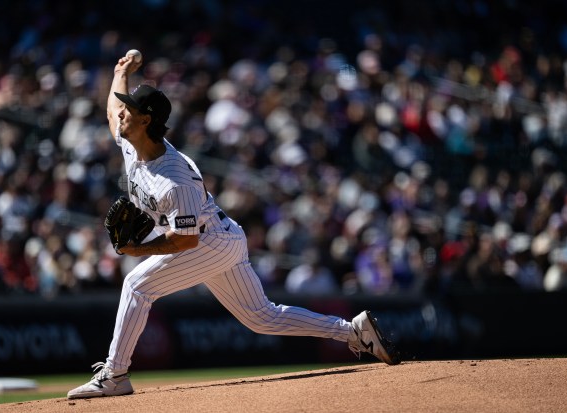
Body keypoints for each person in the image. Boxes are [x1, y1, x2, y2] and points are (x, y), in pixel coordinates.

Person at [66, 52, 401, 399]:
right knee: (262, 317)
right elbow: (109, 111)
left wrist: (139, 250)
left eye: (130, 110)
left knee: (137, 285)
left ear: (147, 120)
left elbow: (185, 241)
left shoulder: (175, 179)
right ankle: (353, 331)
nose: (121, 114)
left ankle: (115, 374)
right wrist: (120, 71)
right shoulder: (132, 143)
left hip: (209, 242)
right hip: (222, 236)